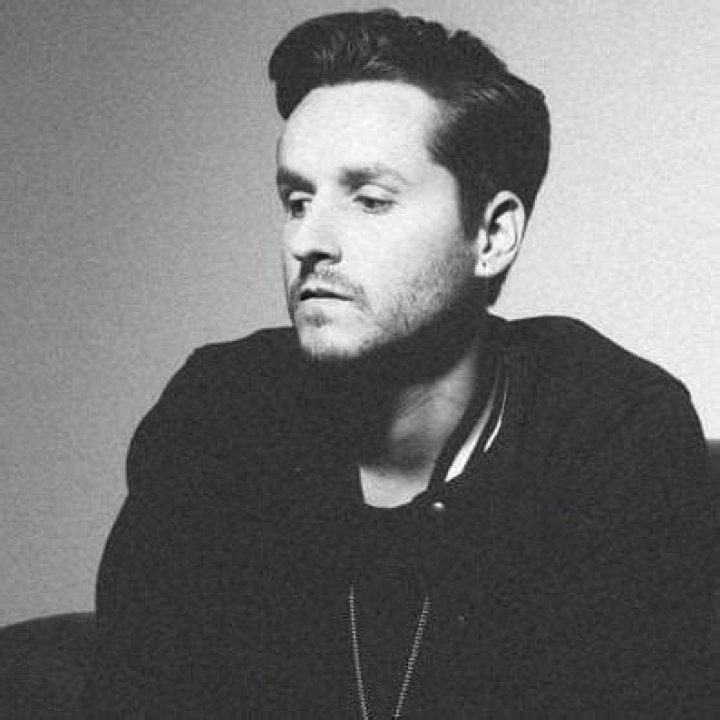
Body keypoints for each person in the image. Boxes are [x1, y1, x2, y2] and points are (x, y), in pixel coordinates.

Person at [95, 9, 716, 717]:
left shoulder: (609, 428)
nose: (308, 241)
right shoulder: (218, 413)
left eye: (370, 200)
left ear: (492, 236)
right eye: (297, 199)